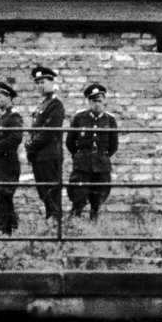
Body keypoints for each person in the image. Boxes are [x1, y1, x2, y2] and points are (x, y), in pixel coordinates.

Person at [66, 82, 119, 221]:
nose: (97, 104)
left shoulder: (110, 119)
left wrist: (102, 156)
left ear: (104, 101)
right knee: (79, 196)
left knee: (98, 197)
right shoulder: (79, 118)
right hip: (82, 165)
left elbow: (113, 145)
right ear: (89, 102)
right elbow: (70, 142)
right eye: (94, 101)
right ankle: (74, 223)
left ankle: (94, 223)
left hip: (101, 165)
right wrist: (79, 156)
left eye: (100, 101)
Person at [24, 65, 64, 223]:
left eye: (43, 82)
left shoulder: (55, 104)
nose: (40, 86)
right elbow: (34, 130)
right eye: (38, 83)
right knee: (44, 193)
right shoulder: (42, 104)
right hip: (39, 156)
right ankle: (50, 223)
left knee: (51, 192)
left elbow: (47, 132)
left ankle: (56, 225)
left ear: (52, 82)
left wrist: (30, 145)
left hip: (49, 155)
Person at [0, 81, 23, 235]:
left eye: (0, 97)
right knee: (1, 197)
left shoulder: (14, 116)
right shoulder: (1, 117)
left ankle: (5, 229)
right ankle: (6, 229)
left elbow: (15, 137)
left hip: (8, 163)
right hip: (0, 163)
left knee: (4, 196)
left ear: (9, 98)